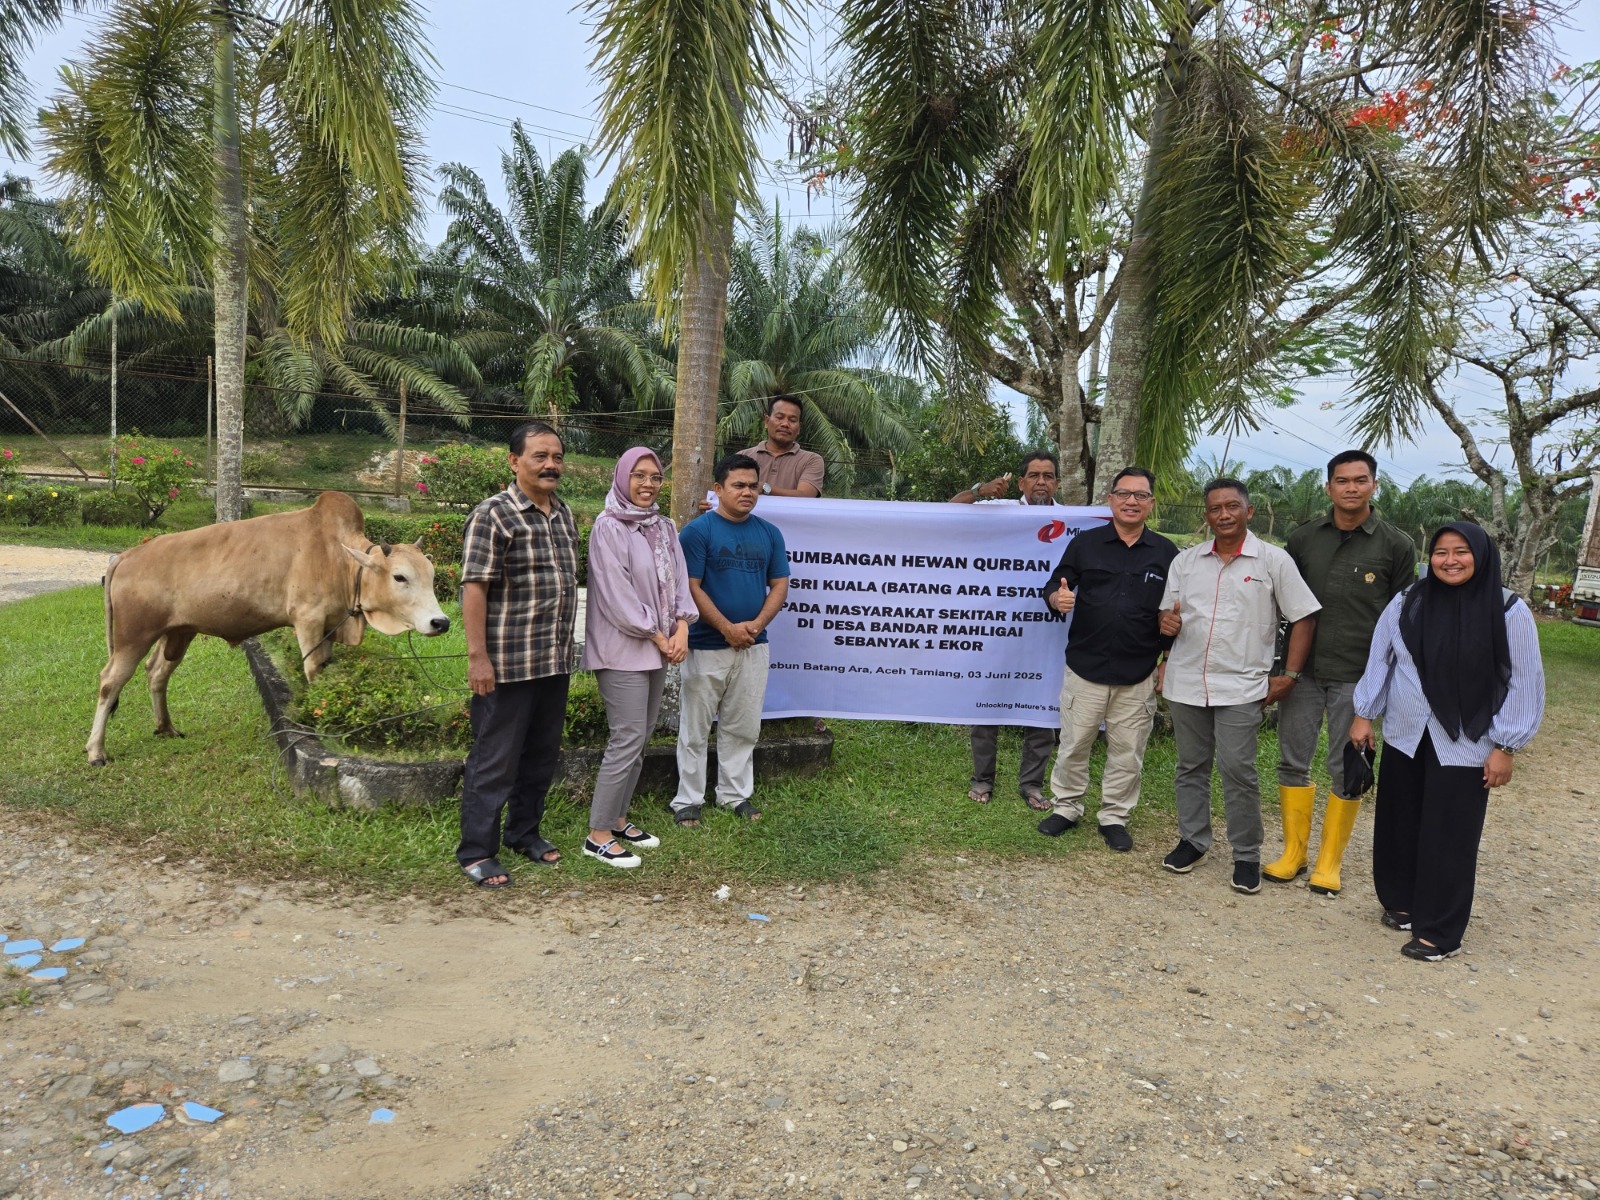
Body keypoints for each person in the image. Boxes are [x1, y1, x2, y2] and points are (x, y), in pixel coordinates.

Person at [1350, 522, 1544, 961]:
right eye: (1440, 552)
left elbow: (1523, 681)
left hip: (1467, 744)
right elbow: (1382, 657)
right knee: (1400, 823)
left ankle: (1439, 931)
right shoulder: (1409, 601)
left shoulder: (1508, 610)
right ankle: (1402, 903)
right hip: (1406, 733)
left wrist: (1505, 746)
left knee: (1449, 835)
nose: (1450, 560)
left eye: (1461, 551)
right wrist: (1365, 714)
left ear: (1481, 556)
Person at [1159, 478, 1322, 894]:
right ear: (1207, 516)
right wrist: (1166, 626)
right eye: (1215, 509)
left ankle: (1246, 854)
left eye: (1232, 506)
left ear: (1248, 512)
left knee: (1238, 769)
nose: (1224, 515)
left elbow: (1304, 616)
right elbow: (1167, 615)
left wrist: (1290, 674)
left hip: (1243, 685)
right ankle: (1193, 840)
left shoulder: (1273, 561)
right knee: (1190, 766)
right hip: (1187, 680)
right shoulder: (1187, 562)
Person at [1264, 450, 1415, 895]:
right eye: (1342, 481)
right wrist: (1280, 667)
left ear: (1374, 485)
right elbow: (1284, 609)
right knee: (1292, 759)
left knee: (1346, 764)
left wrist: (1386, 683)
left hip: (1359, 676)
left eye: (1360, 480)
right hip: (1302, 672)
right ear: (1328, 487)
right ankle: (1294, 853)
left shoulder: (1396, 545)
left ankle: (1329, 862)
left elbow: (1405, 618)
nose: (1351, 488)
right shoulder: (1303, 539)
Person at [456, 421, 579, 888]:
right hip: (507, 662)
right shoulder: (494, 514)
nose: (551, 465)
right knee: (494, 759)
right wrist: (477, 657)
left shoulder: (563, 513)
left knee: (541, 756)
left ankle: (524, 833)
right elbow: (474, 588)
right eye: (539, 456)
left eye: (557, 457)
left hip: (553, 660)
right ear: (514, 461)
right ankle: (475, 851)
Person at [1038, 467, 1179, 850]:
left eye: (1140, 495)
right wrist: (1057, 598)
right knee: (1074, 744)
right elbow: (1055, 583)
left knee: (1128, 751)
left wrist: (1168, 644)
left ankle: (1114, 817)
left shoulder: (1167, 553)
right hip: (1085, 666)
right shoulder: (1086, 544)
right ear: (1111, 499)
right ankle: (1066, 808)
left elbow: (1178, 612)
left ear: (1150, 503)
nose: (1131, 501)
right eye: (1124, 494)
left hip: (1138, 671)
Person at [578, 447, 699, 868]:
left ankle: (618, 819)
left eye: (655, 477)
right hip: (623, 648)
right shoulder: (608, 527)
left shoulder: (664, 527)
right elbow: (616, 595)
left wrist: (682, 625)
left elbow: (681, 581)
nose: (648, 484)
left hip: (659, 645)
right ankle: (597, 835)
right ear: (622, 477)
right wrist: (657, 634)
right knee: (626, 736)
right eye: (639, 476)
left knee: (642, 737)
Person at [671, 453, 791, 827]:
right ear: (719, 489)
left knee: (743, 725)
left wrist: (754, 626)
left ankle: (734, 795)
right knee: (695, 726)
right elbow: (690, 588)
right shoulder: (697, 532)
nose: (748, 492)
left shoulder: (769, 533)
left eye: (753, 486)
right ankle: (687, 800)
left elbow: (780, 585)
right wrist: (726, 628)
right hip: (707, 645)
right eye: (738, 485)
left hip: (754, 645)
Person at [949, 450, 1063, 809]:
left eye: (1048, 475)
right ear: (1022, 480)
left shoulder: (1071, 519)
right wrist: (979, 491)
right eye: (1034, 475)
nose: (1041, 481)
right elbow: (948, 512)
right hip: (996, 630)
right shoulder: (1000, 512)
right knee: (985, 707)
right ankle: (983, 779)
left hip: (1048, 632)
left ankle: (1032, 784)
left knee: (1042, 710)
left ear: (1057, 482)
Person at [737, 393, 825, 498]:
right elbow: (729, 492)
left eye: (792, 420)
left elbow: (805, 495)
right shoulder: (742, 457)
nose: (785, 424)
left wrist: (765, 487)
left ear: (799, 428)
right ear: (767, 421)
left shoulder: (811, 460)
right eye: (779, 417)